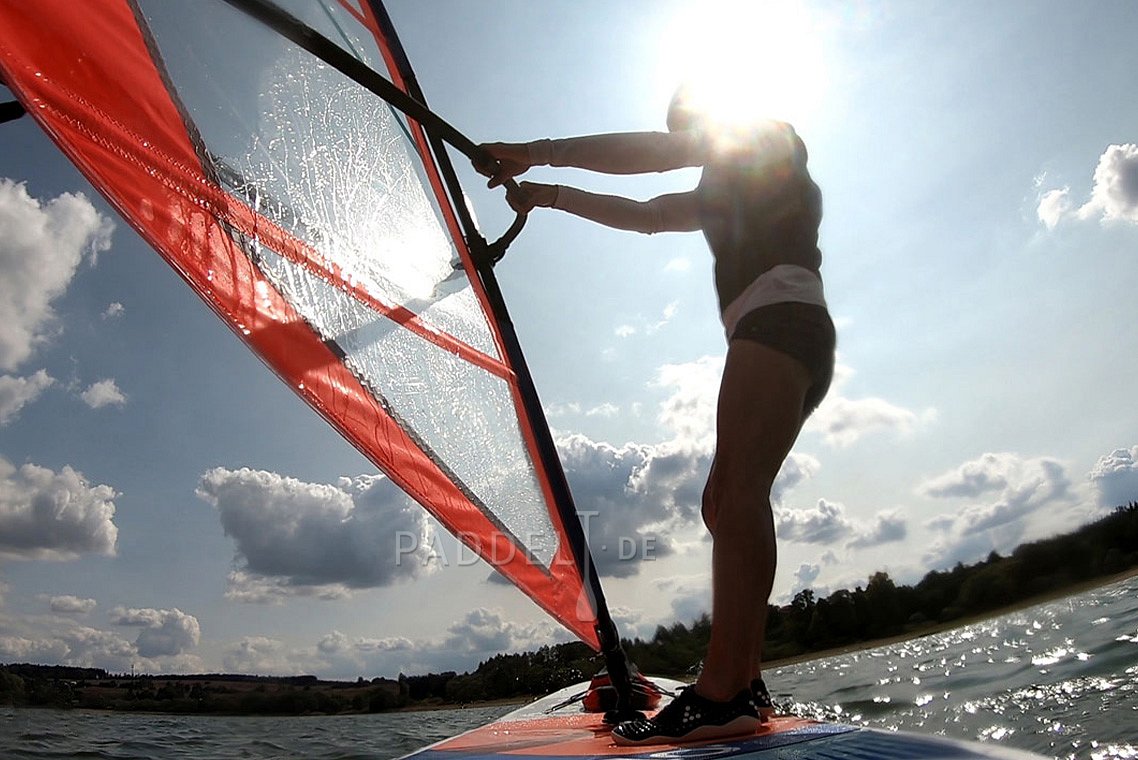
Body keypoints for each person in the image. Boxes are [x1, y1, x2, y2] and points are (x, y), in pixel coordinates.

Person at [475, 87, 835, 746]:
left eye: (687, 136)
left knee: (741, 493)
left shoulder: (760, 131)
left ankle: (724, 693)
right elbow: (643, 214)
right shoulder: (724, 196)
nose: (685, 150)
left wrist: (535, 155)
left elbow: (651, 156)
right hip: (782, 327)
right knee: (722, 500)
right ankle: (744, 683)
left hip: (781, 319)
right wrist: (550, 196)